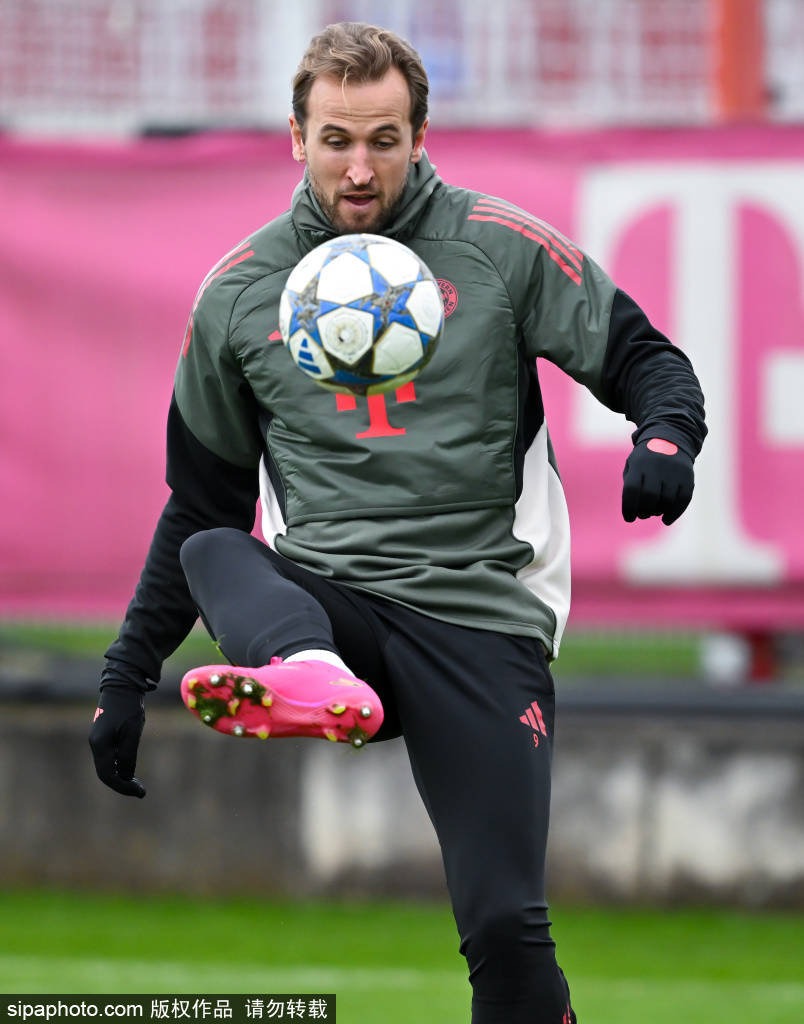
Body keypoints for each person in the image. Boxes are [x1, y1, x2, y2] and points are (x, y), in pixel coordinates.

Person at [89, 21, 706, 1024]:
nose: (360, 168)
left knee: (506, 929)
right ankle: (310, 672)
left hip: (481, 617)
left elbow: (645, 358)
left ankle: (316, 675)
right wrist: (126, 677)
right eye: (337, 139)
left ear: (421, 135)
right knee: (215, 546)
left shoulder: (498, 248)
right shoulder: (239, 293)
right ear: (297, 135)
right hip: (335, 610)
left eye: (384, 139)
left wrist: (667, 438)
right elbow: (201, 504)